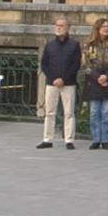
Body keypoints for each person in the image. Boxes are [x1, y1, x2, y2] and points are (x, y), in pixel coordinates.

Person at [38, 17, 81, 150]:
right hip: (52, 83)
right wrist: (54, 78)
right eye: (57, 25)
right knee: (50, 112)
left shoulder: (74, 45)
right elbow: (44, 64)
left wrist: (63, 79)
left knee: (69, 113)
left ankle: (69, 140)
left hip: (68, 83)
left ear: (68, 28)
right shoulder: (50, 45)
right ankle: (47, 139)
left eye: (62, 26)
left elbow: (76, 64)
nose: (59, 28)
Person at [81, 18, 108, 151]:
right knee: (94, 112)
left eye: (107, 26)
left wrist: (106, 76)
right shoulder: (89, 45)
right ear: (97, 29)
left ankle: (105, 139)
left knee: (106, 112)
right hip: (94, 82)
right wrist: (97, 77)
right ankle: (95, 139)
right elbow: (85, 64)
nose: (106, 29)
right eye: (103, 27)